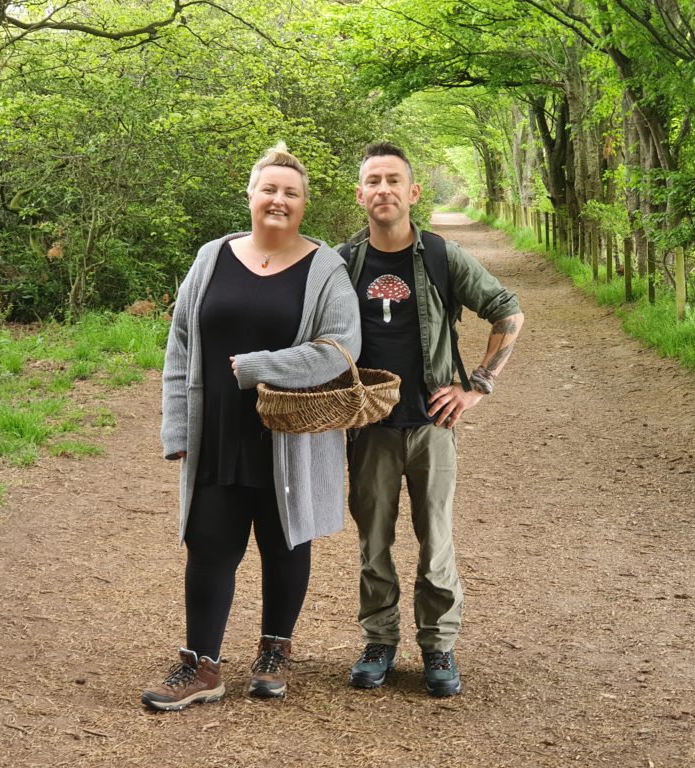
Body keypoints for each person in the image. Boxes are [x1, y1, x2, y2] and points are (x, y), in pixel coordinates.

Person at [142, 142, 361, 711]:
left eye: (291, 193)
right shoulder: (211, 256)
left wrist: (262, 366)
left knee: (286, 540)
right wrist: (178, 431)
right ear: (250, 195)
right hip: (216, 430)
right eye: (269, 189)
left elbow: (341, 347)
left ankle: (274, 651)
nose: (278, 200)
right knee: (208, 543)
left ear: (304, 204)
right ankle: (202, 664)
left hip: (291, 434)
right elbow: (180, 346)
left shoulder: (325, 268)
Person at [342, 142, 524, 697]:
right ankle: (379, 641)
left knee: (435, 539)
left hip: (431, 426)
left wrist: (477, 386)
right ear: (360, 195)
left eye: (393, 180)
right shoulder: (342, 262)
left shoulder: (442, 257)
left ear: (413, 192)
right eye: (373, 181)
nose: (383, 190)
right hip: (368, 427)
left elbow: (507, 309)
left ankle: (438, 646)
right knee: (373, 541)